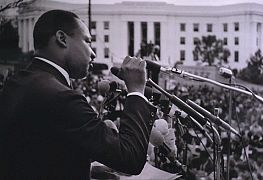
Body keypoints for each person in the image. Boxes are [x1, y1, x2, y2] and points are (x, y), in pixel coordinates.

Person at [0, 10, 157, 179]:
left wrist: (82, 169)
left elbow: (32, 153)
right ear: (62, 38)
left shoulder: (16, 83)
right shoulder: (62, 98)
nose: (93, 53)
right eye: (87, 42)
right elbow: (130, 158)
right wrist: (136, 90)